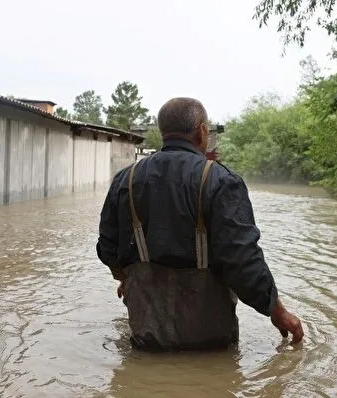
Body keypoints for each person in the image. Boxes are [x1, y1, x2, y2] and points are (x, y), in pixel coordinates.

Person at [97, 97, 304, 351]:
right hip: (211, 346)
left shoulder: (125, 180)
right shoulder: (220, 181)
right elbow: (242, 260)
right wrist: (275, 310)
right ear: (202, 131)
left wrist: (125, 277)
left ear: (163, 133)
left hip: (147, 340)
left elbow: (107, 248)